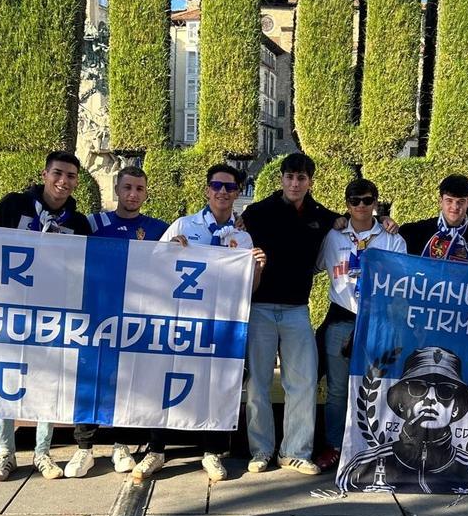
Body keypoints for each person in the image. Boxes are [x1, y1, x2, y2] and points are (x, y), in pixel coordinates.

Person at [0, 151, 94, 482]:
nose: (63, 181)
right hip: (9, 307)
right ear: (44, 175)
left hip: (52, 312)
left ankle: (43, 452)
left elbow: (93, 264)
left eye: (71, 176)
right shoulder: (15, 205)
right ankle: (5, 453)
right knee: (6, 377)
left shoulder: (78, 222)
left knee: (47, 377)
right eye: (57, 173)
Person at [128, 163, 266, 482]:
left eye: (230, 187)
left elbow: (249, 289)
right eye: (217, 185)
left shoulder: (242, 237)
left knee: (217, 383)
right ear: (207, 190)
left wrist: (258, 269)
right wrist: (169, 251)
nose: (222, 192)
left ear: (237, 193)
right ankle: (156, 450)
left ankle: (212, 452)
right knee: (166, 380)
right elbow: (152, 266)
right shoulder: (184, 225)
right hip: (182, 317)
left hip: (220, 321)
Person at [240, 153, 343, 476]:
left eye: (301, 178)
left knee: (304, 382)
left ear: (310, 181)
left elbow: (353, 224)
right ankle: (261, 450)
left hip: (298, 309)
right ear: (282, 178)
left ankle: (295, 452)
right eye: (290, 177)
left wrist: (383, 222)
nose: (295, 183)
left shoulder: (322, 216)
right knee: (258, 383)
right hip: (260, 307)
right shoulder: (257, 213)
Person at [64, 166, 170, 479]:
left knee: (126, 380)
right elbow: (58, 249)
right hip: (97, 315)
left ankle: (120, 445)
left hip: (136, 318)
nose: (133, 194)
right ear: (117, 190)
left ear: (146, 193)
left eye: (139, 188)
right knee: (91, 379)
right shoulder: (93, 223)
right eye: (127, 188)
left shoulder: (159, 229)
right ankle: (84, 448)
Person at [312, 178, 407, 471]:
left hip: (379, 321)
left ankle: (375, 447)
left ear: (376, 202)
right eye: (355, 201)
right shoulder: (333, 236)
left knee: (376, 387)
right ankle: (334, 446)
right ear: (347, 204)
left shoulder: (392, 238)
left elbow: (404, 281)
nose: (361, 206)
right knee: (338, 389)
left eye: (367, 200)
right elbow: (312, 264)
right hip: (342, 318)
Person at [339, 346, 468, 494]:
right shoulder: (360, 468)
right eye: (417, 388)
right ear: (401, 402)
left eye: (445, 391)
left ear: (456, 408)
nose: (430, 399)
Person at [398, 174, 468, 265]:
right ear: (440, 201)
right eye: (449, 201)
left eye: (461, 201)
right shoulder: (416, 231)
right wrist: (387, 222)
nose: (455, 207)